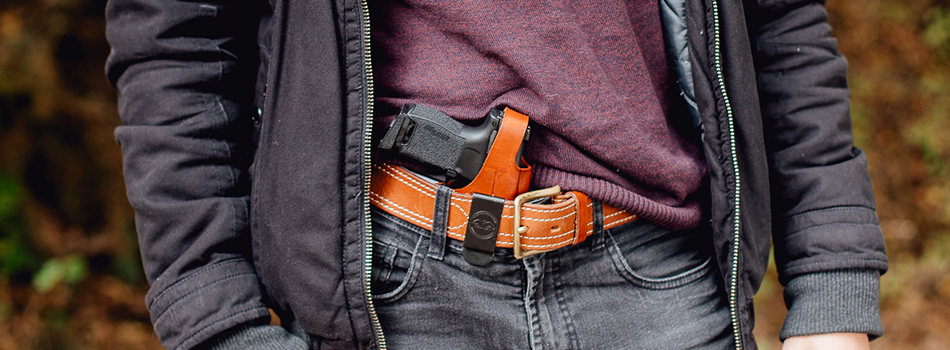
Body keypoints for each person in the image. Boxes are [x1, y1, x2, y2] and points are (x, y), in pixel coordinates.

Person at [105, 0, 888, 348]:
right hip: (394, 294)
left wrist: (832, 283)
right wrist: (215, 315)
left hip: (660, 280)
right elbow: (178, 42)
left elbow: (779, 20)